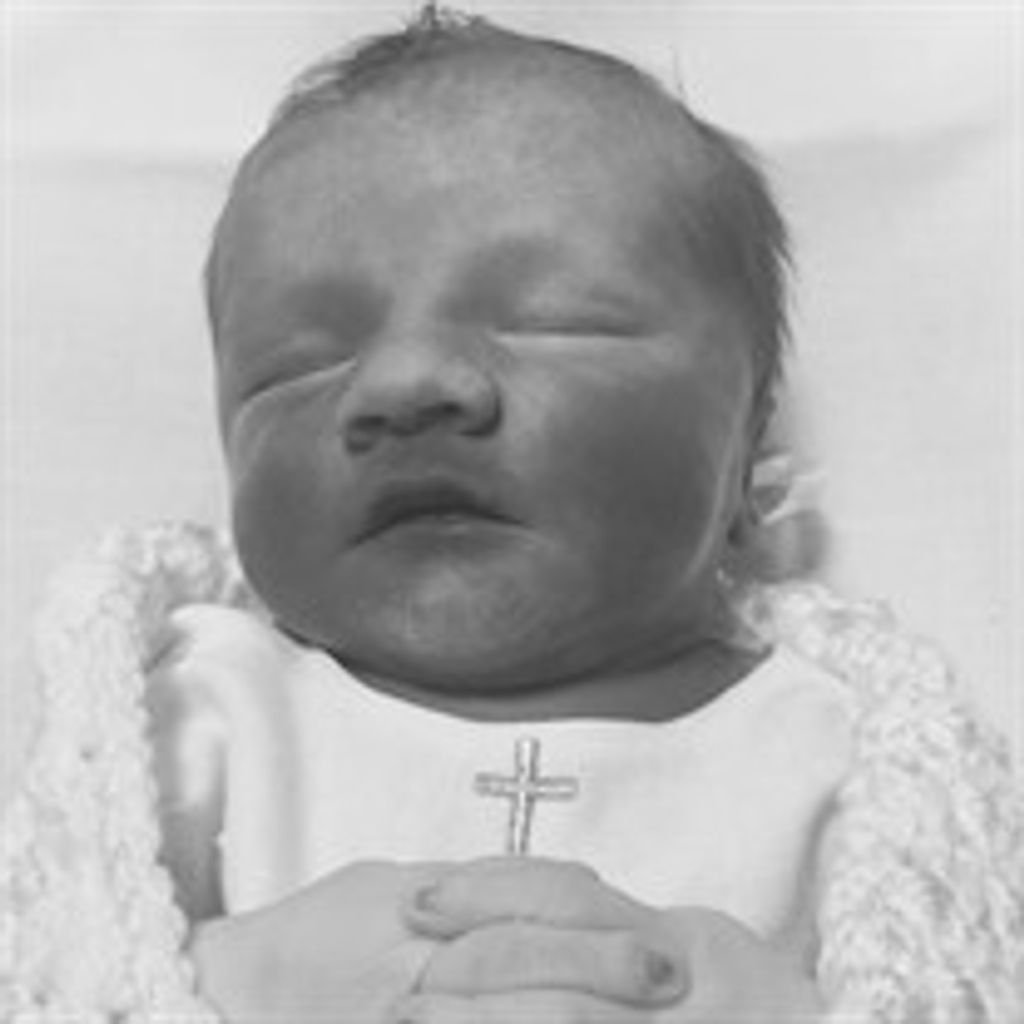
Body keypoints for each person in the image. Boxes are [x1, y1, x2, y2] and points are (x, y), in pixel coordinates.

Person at [4, 6, 1022, 1022]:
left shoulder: (839, 756)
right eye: (297, 363)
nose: (403, 382)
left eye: (551, 318)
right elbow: (53, 964)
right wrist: (222, 981)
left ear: (748, 471)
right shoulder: (197, 715)